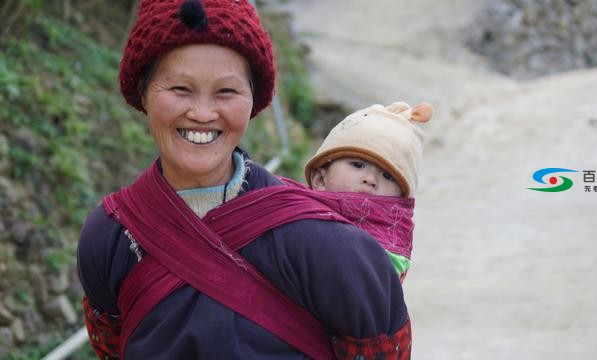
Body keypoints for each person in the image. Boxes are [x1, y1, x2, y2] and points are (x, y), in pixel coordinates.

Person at [76, 0, 411, 359]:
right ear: (143, 92)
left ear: (255, 100)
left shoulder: (329, 249)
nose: (202, 113)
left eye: (226, 91)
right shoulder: (109, 238)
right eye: (180, 89)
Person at [303, 101, 433, 280]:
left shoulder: (389, 253)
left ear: (400, 202)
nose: (371, 180)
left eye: (387, 176)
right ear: (319, 179)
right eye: (358, 165)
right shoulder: (291, 214)